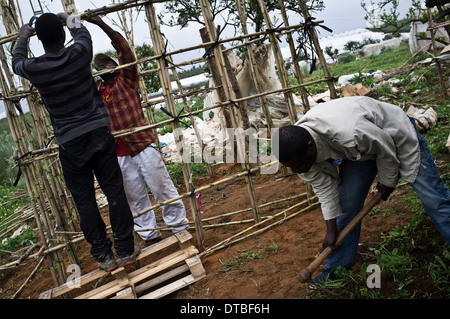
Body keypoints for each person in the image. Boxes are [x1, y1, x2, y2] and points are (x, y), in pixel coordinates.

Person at [273, 96, 450, 285]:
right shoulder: (297, 155)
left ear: (310, 148)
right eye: (291, 167)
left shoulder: (350, 131)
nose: (296, 171)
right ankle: (337, 269)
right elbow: (325, 190)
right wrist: (331, 230)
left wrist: (387, 181)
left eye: (298, 165)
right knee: (346, 203)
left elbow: (386, 148)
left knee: (434, 200)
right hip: (359, 151)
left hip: (393, 134)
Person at [12, 13, 140, 272]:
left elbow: (17, 62)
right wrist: (67, 18)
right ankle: (125, 250)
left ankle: (104, 256)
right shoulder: (79, 54)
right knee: (114, 191)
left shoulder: (36, 68)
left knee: (85, 201)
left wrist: (24, 36)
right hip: (98, 131)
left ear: (41, 41)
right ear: (62, 36)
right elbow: (82, 34)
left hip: (70, 142)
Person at [84, 16, 189, 246]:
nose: (103, 68)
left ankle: (179, 226)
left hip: (142, 143)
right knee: (134, 197)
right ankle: (149, 235)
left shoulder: (127, 80)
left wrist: (101, 24)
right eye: (99, 66)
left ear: (117, 66)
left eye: (107, 64)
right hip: (119, 152)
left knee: (161, 186)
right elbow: (82, 75)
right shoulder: (98, 90)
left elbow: (123, 48)